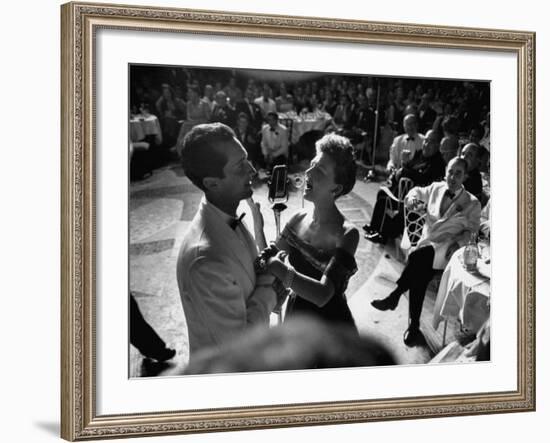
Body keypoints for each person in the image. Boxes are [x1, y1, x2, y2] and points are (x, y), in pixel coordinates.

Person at [177, 123, 277, 358]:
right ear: (212, 183)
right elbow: (240, 346)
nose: (252, 170)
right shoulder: (205, 259)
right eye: (240, 165)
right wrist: (271, 288)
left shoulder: (227, 214)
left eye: (247, 159)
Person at [370, 157, 481, 346]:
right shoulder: (436, 188)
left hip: (448, 250)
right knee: (419, 270)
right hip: (426, 242)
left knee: (418, 260)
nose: (453, 177)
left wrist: (458, 244)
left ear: (465, 176)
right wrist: (414, 201)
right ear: (446, 171)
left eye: (458, 174)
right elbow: (415, 192)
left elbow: (472, 231)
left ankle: (396, 297)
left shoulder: (472, 203)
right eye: (450, 172)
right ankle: (411, 323)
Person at [261, 134, 360, 331]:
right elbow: (270, 256)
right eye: (312, 164)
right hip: (297, 315)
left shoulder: (347, 233)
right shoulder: (297, 218)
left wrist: (281, 270)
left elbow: (323, 295)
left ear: (336, 188)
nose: (309, 172)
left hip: (330, 325)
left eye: (320, 170)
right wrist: (258, 224)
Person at [364, 129, 445, 244]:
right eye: (426, 141)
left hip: (419, 202)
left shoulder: (438, 164)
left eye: (431, 142)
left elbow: (422, 178)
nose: (427, 145)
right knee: (383, 193)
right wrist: (405, 165)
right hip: (404, 193)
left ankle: (381, 235)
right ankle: (375, 227)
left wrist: (405, 170)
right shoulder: (419, 153)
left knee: (385, 200)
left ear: (438, 145)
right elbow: (408, 169)